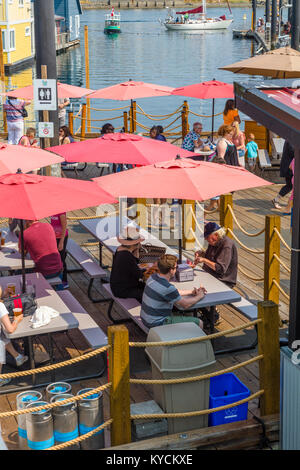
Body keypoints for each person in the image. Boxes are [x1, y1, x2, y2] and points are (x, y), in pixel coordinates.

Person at [140, 254, 207, 330]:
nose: (176, 269)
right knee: (199, 322)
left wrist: (191, 292)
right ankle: (191, 341)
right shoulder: (168, 288)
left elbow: (172, 292)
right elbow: (185, 305)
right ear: (171, 270)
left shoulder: (153, 277)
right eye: (176, 267)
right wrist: (200, 295)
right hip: (157, 323)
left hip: (146, 319)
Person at [194, 222, 238, 325]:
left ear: (216, 235)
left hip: (223, 279)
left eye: (207, 237)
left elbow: (220, 268)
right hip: (210, 275)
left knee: (198, 291)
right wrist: (202, 253)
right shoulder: (214, 242)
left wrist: (204, 260)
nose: (205, 239)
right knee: (193, 285)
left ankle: (213, 316)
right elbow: (212, 258)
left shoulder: (227, 245)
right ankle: (207, 314)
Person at [0, 286, 28, 387]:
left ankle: (17, 356)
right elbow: (10, 330)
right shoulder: (0, 306)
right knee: (2, 336)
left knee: (2, 333)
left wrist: (4, 294)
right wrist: (17, 320)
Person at [110, 226, 146, 303]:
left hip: (118, 286)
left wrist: (136, 253)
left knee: (147, 287)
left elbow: (133, 267)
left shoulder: (120, 249)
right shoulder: (126, 256)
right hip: (123, 290)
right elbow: (139, 274)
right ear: (135, 243)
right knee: (151, 293)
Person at [272, 140, 294, 210]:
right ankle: (276, 200)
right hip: (289, 167)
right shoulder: (291, 139)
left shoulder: (290, 138)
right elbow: (293, 151)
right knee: (290, 185)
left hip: (289, 166)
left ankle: (277, 199)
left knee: (290, 185)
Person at [50, 213, 69, 288]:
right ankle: (57, 278)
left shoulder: (61, 213)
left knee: (61, 259)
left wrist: (61, 242)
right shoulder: (52, 210)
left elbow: (64, 228)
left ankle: (65, 280)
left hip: (61, 238)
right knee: (55, 258)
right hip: (54, 237)